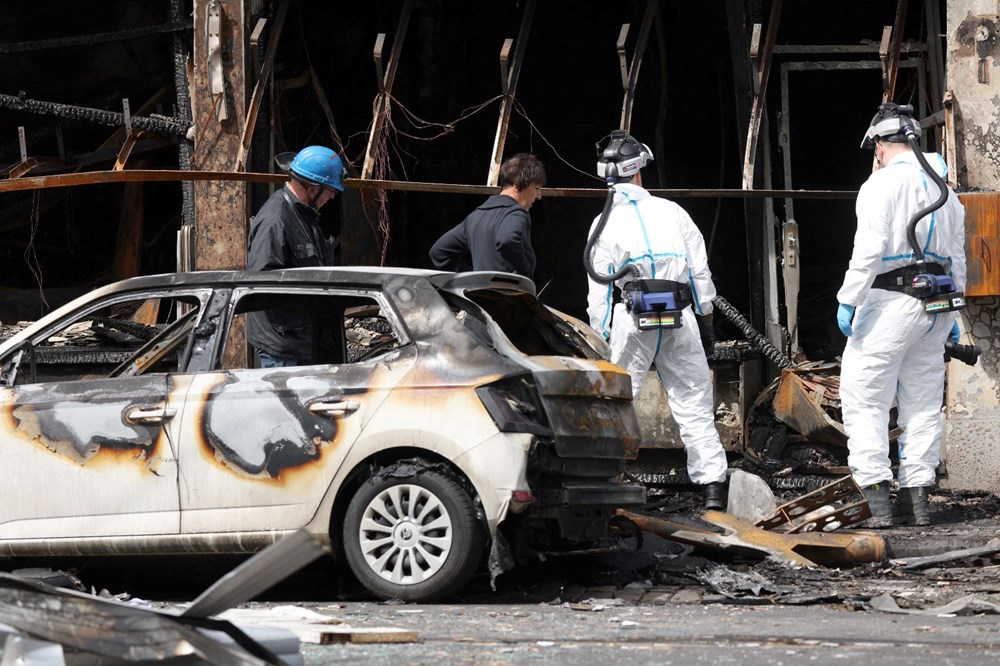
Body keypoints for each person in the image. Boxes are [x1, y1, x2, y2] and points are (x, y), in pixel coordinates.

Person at [836, 103, 967, 527]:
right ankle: (919, 501)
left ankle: (879, 503)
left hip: (892, 299)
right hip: (937, 306)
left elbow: (870, 249)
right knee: (924, 402)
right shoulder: (946, 192)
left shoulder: (880, 185)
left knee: (865, 398)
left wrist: (849, 298)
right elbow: (958, 261)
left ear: (878, 145)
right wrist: (955, 321)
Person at [584, 131, 728, 509]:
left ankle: (604, 480)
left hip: (632, 319)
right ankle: (713, 486)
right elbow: (700, 273)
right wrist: (707, 320)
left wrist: (599, 341)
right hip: (680, 316)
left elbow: (598, 292)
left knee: (617, 401)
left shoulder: (603, 224)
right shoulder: (673, 213)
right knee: (694, 400)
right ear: (639, 172)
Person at [247, 145, 345, 368]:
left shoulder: (304, 215)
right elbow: (261, 284)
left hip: (299, 337)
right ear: (313, 189)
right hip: (282, 346)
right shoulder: (276, 220)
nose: (330, 198)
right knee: (282, 403)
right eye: (330, 192)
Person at [429, 153, 545, 279]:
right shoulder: (516, 213)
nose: (539, 196)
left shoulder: (475, 217)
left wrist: (474, 279)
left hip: (477, 296)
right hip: (508, 296)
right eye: (536, 188)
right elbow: (508, 239)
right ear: (517, 185)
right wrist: (524, 273)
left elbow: (439, 252)